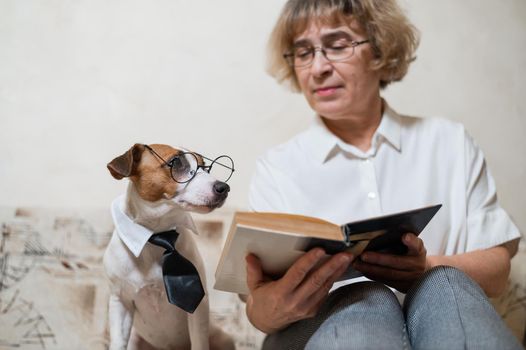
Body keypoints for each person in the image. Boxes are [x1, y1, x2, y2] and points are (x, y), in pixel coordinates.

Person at [245, 0, 522, 349]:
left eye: (337, 45)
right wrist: (274, 308)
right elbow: (258, 310)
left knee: (444, 285)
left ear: (379, 48)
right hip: (317, 332)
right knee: (366, 298)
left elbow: (497, 272)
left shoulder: (449, 142)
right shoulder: (278, 167)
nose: (317, 68)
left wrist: (426, 268)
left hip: (441, 322)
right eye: (303, 52)